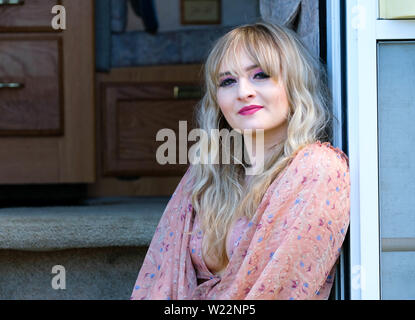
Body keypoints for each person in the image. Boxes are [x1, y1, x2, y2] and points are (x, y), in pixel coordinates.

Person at [130, 21, 350, 300]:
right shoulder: (208, 171)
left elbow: (277, 291)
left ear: (295, 83)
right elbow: (161, 278)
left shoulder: (317, 168)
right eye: (228, 81)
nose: (243, 92)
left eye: (260, 75)